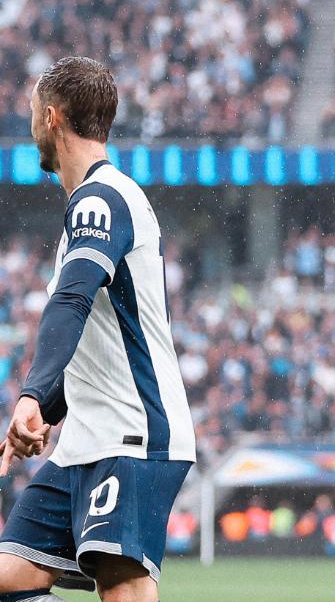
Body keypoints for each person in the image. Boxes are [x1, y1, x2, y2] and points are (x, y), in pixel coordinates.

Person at [0, 57, 195, 602]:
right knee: (9, 580)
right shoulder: (88, 204)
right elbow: (97, 338)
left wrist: (32, 393)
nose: (32, 126)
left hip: (133, 435)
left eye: (34, 114)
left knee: (123, 587)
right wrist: (50, 409)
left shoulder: (102, 198)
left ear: (53, 117)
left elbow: (72, 299)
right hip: (84, 438)